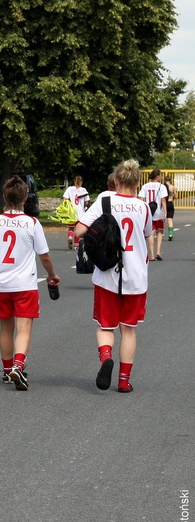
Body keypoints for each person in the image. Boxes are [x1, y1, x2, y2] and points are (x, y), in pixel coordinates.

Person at [75, 159, 152, 393]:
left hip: (108, 275)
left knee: (105, 327)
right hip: (135, 277)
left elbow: (80, 230)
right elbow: (146, 234)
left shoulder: (105, 201)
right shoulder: (144, 207)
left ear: (116, 180)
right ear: (137, 183)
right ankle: (124, 380)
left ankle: (106, 356)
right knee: (128, 329)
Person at [0, 176, 60, 391]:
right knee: (24, 328)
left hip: (1, 283)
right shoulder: (31, 223)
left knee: (5, 328)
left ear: (5, 197)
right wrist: (52, 275)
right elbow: (43, 256)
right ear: (25, 198)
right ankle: (19, 364)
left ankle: (8, 370)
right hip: (24, 284)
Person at [138, 169, 168, 260]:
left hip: (149, 211)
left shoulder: (145, 186)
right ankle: (158, 251)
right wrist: (165, 211)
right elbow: (163, 199)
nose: (161, 177)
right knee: (159, 231)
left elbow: (141, 198)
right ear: (157, 176)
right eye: (161, 175)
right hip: (158, 211)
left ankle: (151, 254)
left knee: (150, 232)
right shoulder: (161, 186)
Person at [61, 175, 89, 250]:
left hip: (72, 212)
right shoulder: (84, 190)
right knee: (77, 229)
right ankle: (76, 245)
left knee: (71, 228)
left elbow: (65, 199)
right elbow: (86, 202)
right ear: (81, 182)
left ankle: (70, 237)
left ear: (74, 181)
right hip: (80, 213)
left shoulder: (70, 189)